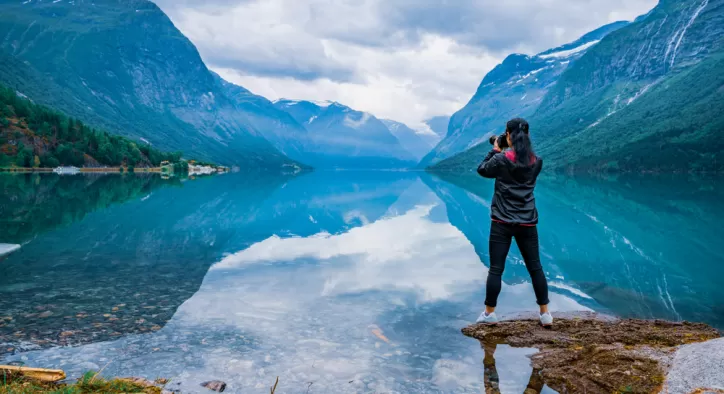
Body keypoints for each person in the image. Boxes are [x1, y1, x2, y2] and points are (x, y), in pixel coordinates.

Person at [475, 118, 552, 327]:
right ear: (527, 135)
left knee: (496, 269)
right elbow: (520, 162)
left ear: (508, 135)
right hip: (528, 221)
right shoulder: (537, 161)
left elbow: (482, 170)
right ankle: (545, 314)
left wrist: (495, 150)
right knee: (535, 267)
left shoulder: (501, 160)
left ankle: (489, 314)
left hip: (502, 221)